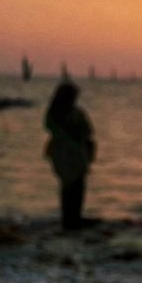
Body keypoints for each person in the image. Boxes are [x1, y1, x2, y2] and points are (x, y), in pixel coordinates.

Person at [43, 78, 96, 230]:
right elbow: (52, 128)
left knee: (78, 186)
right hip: (63, 154)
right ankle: (68, 220)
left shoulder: (77, 112)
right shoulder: (55, 113)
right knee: (68, 186)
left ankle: (75, 217)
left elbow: (88, 130)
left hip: (78, 154)